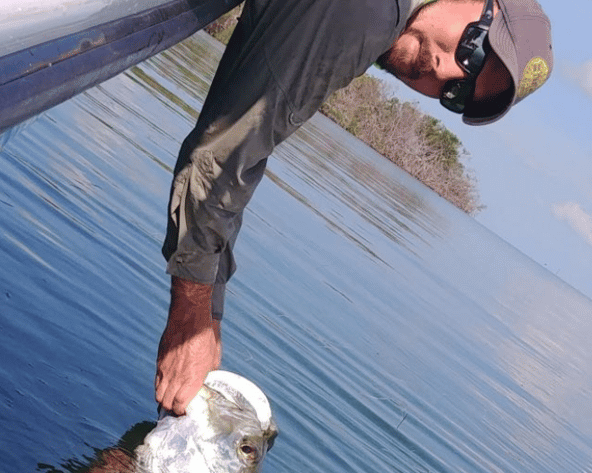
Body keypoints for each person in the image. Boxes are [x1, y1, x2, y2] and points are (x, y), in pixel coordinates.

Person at [155, 0, 552, 414]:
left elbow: (241, 150)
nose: (446, 72)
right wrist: (191, 322)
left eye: (456, 94)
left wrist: (210, 317)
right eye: (475, 51)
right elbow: (221, 160)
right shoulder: (370, 12)